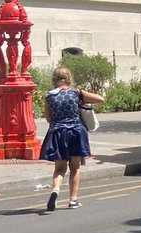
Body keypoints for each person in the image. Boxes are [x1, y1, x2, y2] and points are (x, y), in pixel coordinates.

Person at [40, 66, 105, 211]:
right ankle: (73, 200)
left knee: (59, 168)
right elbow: (101, 99)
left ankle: (56, 189)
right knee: (74, 168)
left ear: (54, 79)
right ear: (69, 78)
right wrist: (82, 103)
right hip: (75, 131)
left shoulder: (49, 95)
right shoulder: (76, 93)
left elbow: (48, 117)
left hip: (57, 133)